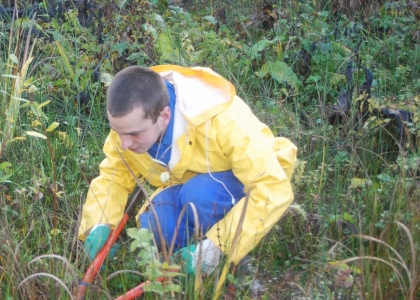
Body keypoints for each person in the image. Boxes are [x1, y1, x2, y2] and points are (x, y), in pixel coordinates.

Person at [79, 65, 297, 276]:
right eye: (117, 131)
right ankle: (190, 262)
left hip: (241, 181)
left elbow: (272, 186)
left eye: (134, 134)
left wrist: (217, 248)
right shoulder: (130, 126)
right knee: (155, 225)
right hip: (188, 186)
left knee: (199, 198)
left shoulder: (219, 117)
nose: (124, 143)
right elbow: (113, 177)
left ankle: (234, 261)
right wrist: (98, 224)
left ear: (164, 116)